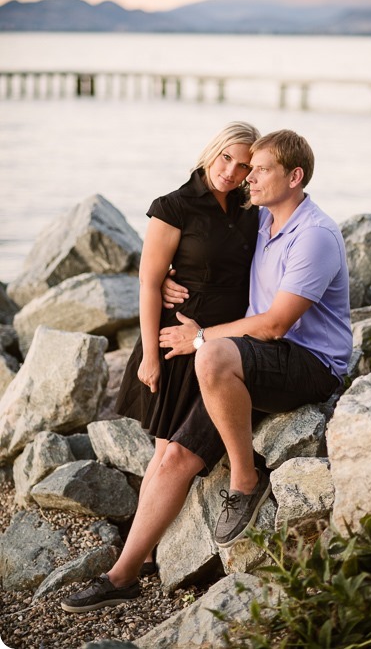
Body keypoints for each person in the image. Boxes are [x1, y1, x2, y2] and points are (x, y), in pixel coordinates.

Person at [60, 121, 261, 613]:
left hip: (217, 344)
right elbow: (150, 285)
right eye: (226, 159)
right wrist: (149, 355)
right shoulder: (173, 205)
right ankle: (136, 560)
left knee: (168, 454)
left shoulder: (248, 205)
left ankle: (138, 556)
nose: (233, 172)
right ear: (210, 153)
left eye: (244, 165)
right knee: (166, 450)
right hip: (172, 345)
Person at [159, 129, 352, 549]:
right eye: (251, 169)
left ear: (295, 176)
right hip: (260, 358)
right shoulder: (262, 220)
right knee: (174, 456)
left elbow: (275, 325)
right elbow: (208, 246)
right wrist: (164, 280)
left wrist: (201, 336)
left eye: (261, 170)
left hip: (312, 364)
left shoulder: (314, 234)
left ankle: (246, 480)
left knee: (209, 358)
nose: (249, 178)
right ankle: (124, 572)